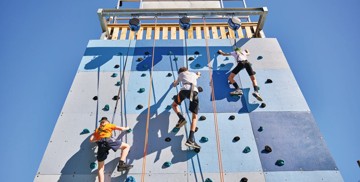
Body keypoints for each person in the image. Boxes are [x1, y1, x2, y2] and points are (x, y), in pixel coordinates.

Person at [89, 117, 133, 182]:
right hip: (108, 140)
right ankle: (121, 164)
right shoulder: (109, 125)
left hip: (100, 144)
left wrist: (98, 139)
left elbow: (91, 140)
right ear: (106, 122)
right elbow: (121, 129)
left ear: (101, 123)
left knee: (100, 168)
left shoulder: (97, 130)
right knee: (126, 146)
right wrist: (127, 128)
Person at [172, 67, 201, 149]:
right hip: (194, 91)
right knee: (194, 117)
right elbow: (198, 75)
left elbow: (175, 84)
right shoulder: (192, 74)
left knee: (174, 105)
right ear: (187, 70)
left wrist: (175, 83)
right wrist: (198, 74)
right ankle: (191, 139)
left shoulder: (180, 75)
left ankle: (181, 118)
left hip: (184, 91)